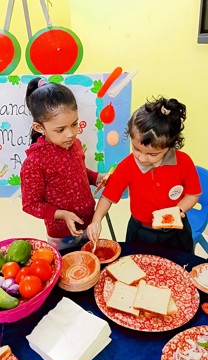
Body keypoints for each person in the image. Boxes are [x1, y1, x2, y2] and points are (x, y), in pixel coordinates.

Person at [87, 96, 202, 253]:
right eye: (136, 148)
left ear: (170, 145)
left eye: (152, 154)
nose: (141, 158)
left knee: (178, 268)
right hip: (140, 231)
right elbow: (108, 196)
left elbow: (193, 194)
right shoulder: (127, 165)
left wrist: (177, 210)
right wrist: (96, 219)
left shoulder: (183, 162)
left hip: (175, 232)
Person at [20, 77, 104, 250]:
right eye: (60, 129)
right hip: (62, 235)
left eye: (74, 124)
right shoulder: (34, 162)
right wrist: (62, 215)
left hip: (89, 222)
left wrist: (97, 178)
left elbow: (79, 172)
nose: (70, 134)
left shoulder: (75, 145)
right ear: (39, 128)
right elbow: (30, 204)